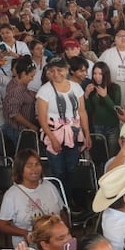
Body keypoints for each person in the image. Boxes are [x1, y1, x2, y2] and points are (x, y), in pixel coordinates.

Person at [37, 55, 91, 203]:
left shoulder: (75, 87)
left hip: (73, 135)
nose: (56, 74)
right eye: (52, 70)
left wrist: (87, 135)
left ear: (66, 70)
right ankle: (59, 202)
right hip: (54, 134)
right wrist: (53, 139)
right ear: (48, 72)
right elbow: (42, 119)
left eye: (60, 70)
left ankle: (72, 200)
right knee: (58, 171)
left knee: (72, 169)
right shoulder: (44, 91)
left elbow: (82, 112)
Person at [0, 148, 68, 248]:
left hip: (55, 247)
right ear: (20, 169)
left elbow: (62, 213)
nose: (34, 169)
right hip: (27, 249)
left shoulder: (49, 186)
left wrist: (65, 233)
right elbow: (2, 225)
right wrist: (25, 233)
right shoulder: (11, 195)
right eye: (29, 166)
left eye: (37, 164)